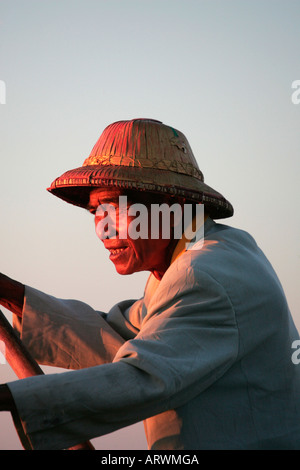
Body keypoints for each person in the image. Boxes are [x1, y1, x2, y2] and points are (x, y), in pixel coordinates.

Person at [0, 118, 300, 450]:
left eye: (116, 209)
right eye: (96, 213)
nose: (104, 231)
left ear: (175, 205)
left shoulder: (206, 272)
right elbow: (117, 337)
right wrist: (11, 295)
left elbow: (143, 376)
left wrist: (10, 399)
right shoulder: (189, 260)